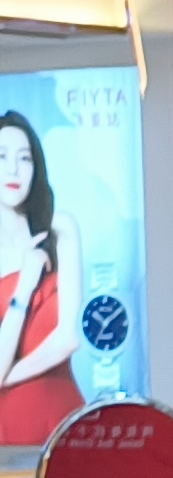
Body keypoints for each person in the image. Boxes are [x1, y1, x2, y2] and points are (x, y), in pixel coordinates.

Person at [0, 111, 83, 444]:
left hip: (60, 418)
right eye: (2, 157)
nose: (13, 170)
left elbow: (68, 338)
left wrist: (5, 377)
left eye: (24, 158)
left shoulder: (60, 228)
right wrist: (26, 283)